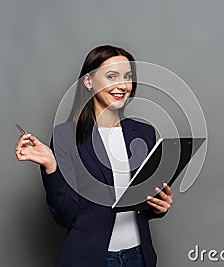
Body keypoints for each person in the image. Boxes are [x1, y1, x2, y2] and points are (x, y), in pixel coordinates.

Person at [15, 45, 173, 267]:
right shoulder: (66, 136)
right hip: (90, 258)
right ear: (88, 81)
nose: (122, 85)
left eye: (127, 76)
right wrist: (51, 166)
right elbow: (65, 216)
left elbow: (140, 201)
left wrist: (159, 206)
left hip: (139, 257)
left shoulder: (144, 133)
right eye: (112, 76)